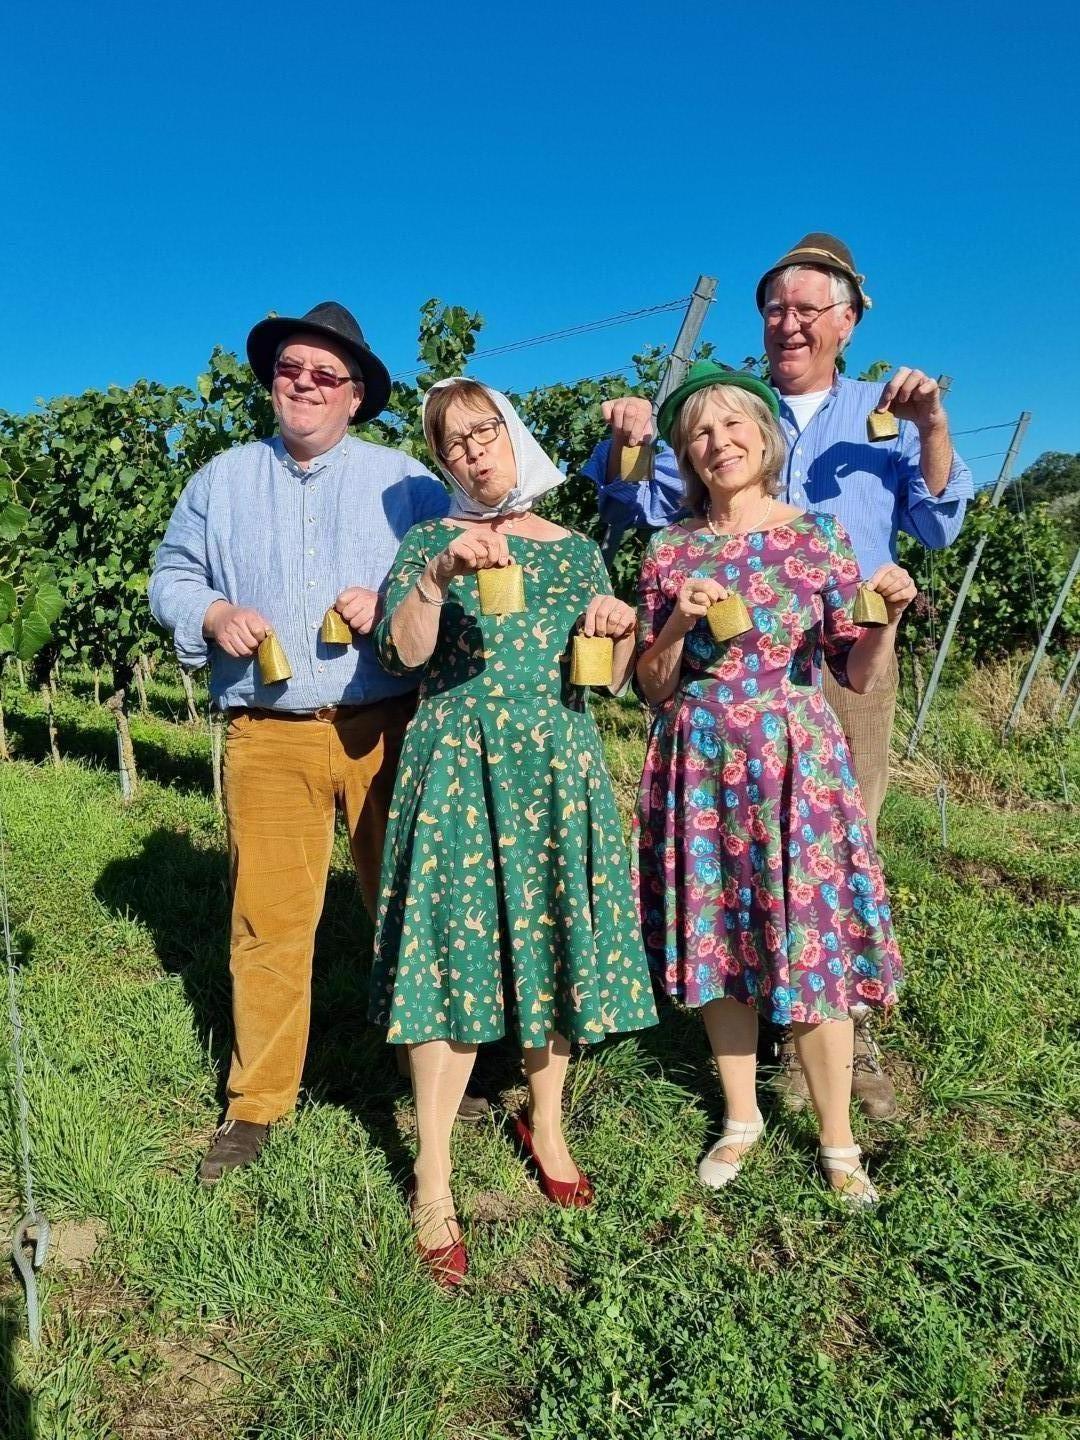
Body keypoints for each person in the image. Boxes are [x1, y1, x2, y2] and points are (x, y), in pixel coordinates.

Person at [607, 234, 973, 1118]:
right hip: (720, 684)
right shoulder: (726, 411)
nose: (790, 322)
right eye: (776, 307)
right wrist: (629, 440)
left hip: (844, 647)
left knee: (832, 850)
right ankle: (767, 1034)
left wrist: (932, 426)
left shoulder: (886, 411)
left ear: (848, 320)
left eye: (810, 308)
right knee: (737, 865)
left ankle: (840, 1030)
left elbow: (938, 524)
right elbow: (638, 502)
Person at [149, 301, 483, 1185]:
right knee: (267, 921)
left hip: (387, 726)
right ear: (272, 383)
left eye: (325, 374)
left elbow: (460, 569)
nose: (304, 384)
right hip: (269, 731)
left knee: (410, 907)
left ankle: (436, 1072)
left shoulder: (408, 484)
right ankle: (257, 1102)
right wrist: (210, 611)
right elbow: (171, 574)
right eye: (290, 370)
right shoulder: (221, 480)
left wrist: (396, 596)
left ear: (355, 394)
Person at [368, 377, 657, 1285]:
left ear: (512, 433)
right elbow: (400, 654)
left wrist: (617, 626)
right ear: (442, 461)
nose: (472, 451)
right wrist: (436, 578)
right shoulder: (429, 542)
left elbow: (608, 681)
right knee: (450, 953)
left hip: (557, 762)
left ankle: (549, 1124)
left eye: (483, 431)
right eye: (451, 443)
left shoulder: (578, 551)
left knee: (554, 937)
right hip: (458, 762)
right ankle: (433, 1176)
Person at [634, 361, 914, 1207]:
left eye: (732, 425)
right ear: (686, 455)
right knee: (718, 935)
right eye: (699, 433)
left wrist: (888, 617)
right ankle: (742, 1115)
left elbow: (854, 671)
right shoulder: (668, 548)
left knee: (813, 941)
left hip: (796, 758)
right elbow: (651, 684)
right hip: (700, 759)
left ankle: (838, 1141)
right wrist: (677, 622)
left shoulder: (818, 538)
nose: (717, 442)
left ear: (764, 435)